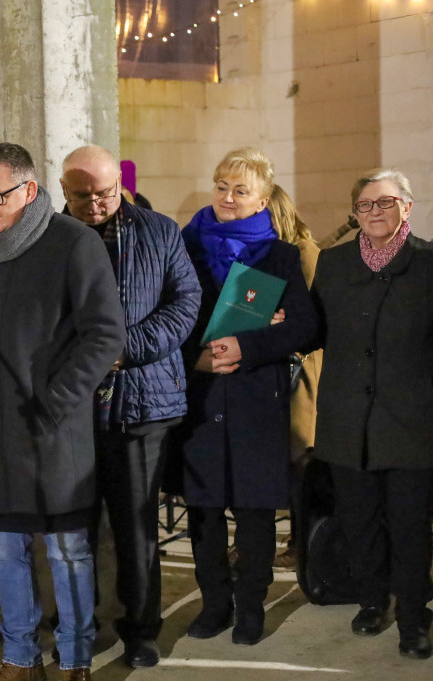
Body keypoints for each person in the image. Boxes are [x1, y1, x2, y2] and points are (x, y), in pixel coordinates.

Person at [0, 142, 126, 681]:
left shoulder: (74, 241)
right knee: (3, 547)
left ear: (28, 189)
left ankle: (75, 658)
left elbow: (105, 333)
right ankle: (20, 656)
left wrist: (58, 400)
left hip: (52, 426)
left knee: (69, 550)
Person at [59, 146, 201, 668]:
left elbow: (185, 302)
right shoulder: (49, 236)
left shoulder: (159, 230)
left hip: (143, 400)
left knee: (137, 527)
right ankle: (78, 624)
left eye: (105, 193)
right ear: (62, 190)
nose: (96, 204)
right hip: (71, 406)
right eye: (82, 196)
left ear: (119, 184)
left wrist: (122, 350)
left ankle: (141, 629)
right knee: (72, 528)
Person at [174, 147, 316, 646]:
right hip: (200, 398)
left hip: (256, 400)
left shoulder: (280, 256)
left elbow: (305, 326)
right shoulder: (185, 248)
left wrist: (250, 346)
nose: (228, 197)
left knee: (254, 513)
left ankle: (251, 608)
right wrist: (194, 358)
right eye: (222, 187)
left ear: (262, 200)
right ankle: (215, 605)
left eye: (241, 190)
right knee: (204, 512)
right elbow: (168, 317)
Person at [308, 168, 433, 659]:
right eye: (365, 204)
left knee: (409, 527)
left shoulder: (428, 263)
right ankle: (372, 601)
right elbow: (313, 330)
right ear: (355, 213)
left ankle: (414, 619)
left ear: (407, 206)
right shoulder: (333, 263)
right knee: (358, 521)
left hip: (412, 422)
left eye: (385, 202)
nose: (374, 211)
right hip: (347, 421)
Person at [267, 185, 323, 571]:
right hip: (279, 370)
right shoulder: (275, 252)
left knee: (302, 462)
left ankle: (303, 547)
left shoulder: (305, 252)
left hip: (302, 372)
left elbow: (315, 318)